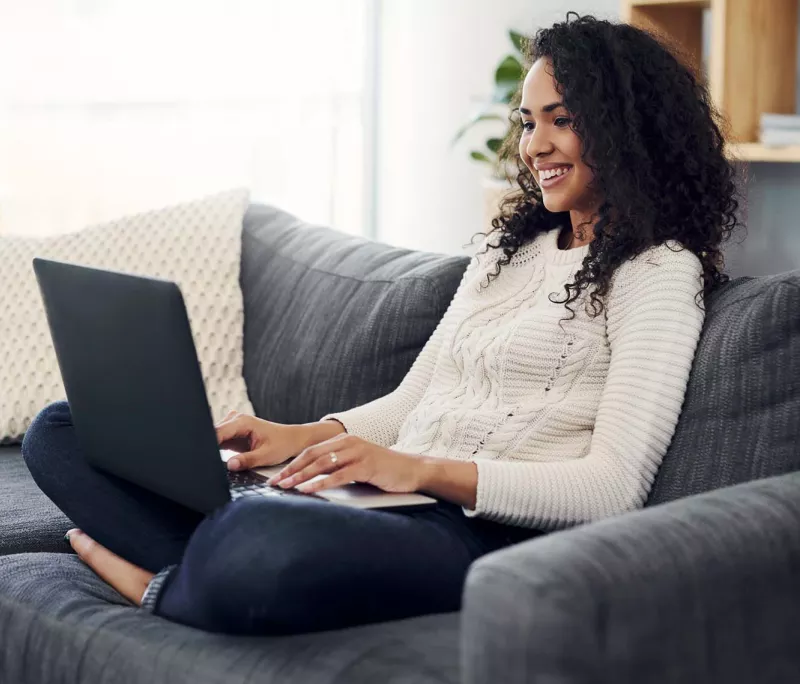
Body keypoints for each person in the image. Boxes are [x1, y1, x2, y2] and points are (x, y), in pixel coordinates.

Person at [22, 13, 739, 636]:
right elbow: (410, 404)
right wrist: (297, 437)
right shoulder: (506, 251)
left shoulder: (657, 272)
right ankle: (209, 568)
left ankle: (168, 584)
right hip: (380, 506)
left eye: (562, 119)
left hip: (479, 535)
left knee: (259, 533)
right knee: (61, 430)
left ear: (626, 128)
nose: (533, 146)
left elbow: (613, 488)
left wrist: (417, 470)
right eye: (528, 121)